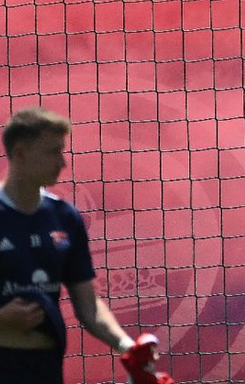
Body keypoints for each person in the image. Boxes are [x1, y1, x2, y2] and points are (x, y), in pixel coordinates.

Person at [0, 108, 163, 384]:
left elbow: (88, 306)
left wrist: (127, 347)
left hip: (45, 367)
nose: (62, 162)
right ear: (20, 152)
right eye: (53, 152)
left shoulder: (65, 216)